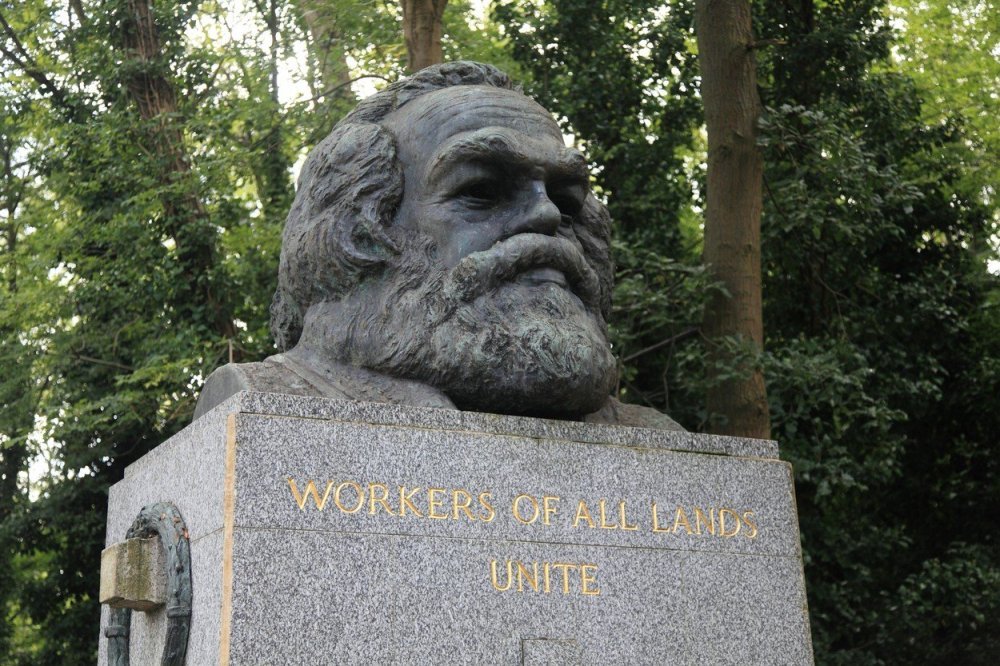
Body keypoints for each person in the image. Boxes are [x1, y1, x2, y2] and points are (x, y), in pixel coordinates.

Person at [194, 61, 682, 431]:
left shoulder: (653, 438)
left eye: (566, 199)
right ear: (360, 232)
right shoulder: (264, 403)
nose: (547, 213)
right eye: (481, 191)